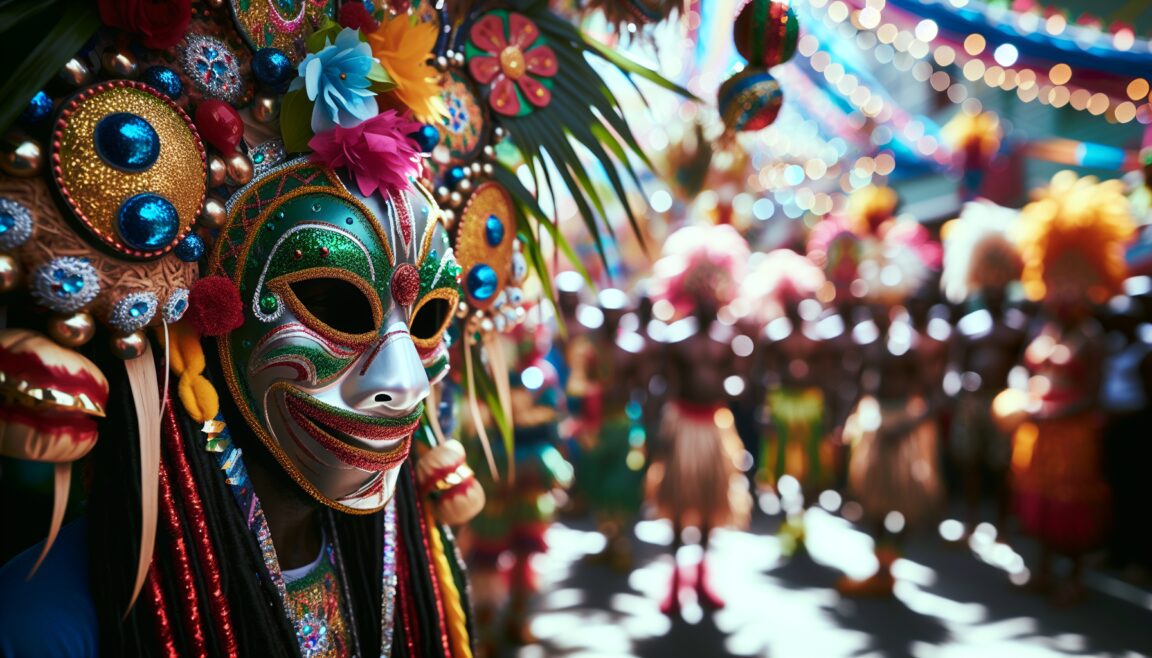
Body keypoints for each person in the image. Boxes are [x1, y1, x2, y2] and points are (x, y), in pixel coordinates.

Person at [995, 172, 1135, 604]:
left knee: (1071, 506)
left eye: (1075, 281)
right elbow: (1022, 369)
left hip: (1072, 435)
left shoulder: (1091, 338)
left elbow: (1096, 395)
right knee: (1038, 500)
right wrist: (1020, 399)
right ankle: (1041, 568)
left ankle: (1072, 576)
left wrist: (1052, 413)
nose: (1066, 290)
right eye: (1059, 279)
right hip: (1037, 432)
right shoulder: (1043, 328)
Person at [646, 224, 752, 616]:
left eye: (715, 290)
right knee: (677, 509)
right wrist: (657, 433)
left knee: (711, 507)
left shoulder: (730, 338)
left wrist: (736, 386)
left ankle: (703, 578)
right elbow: (664, 386)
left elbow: (740, 379)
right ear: (689, 293)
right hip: (684, 425)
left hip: (713, 427)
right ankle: (675, 581)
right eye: (701, 291)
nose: (709, 298)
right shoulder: (675, 339)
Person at [941, 201, 1027, 538]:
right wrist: (957, 385)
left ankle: (1002, 524)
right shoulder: (968, 325)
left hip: (1002, 403)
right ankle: (972, 519)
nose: (994, 288)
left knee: (1002, 466)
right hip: (972, 404)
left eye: (1000, 284)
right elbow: (954, 366)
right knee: (970, 463)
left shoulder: (1019, 325)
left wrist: (1015, 393)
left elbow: (1022, 364)